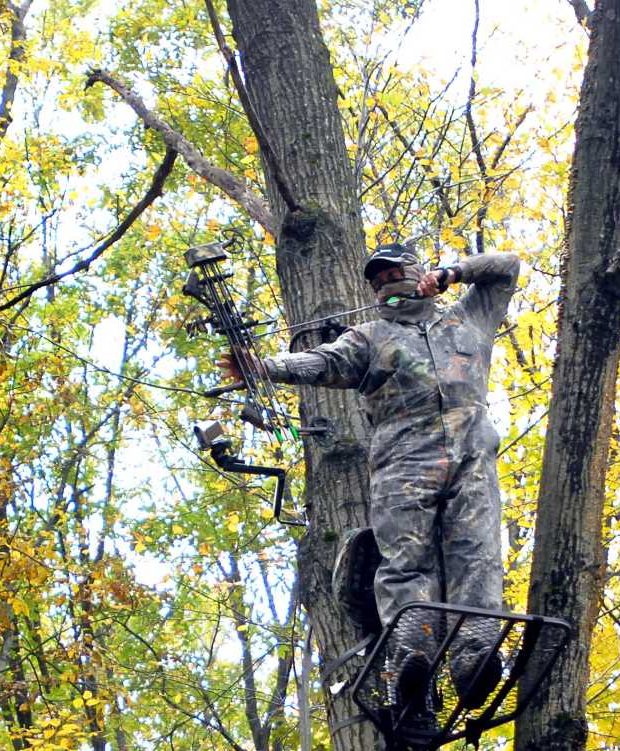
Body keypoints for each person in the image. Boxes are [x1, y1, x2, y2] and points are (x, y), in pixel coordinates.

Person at [221, 241, 520, 721]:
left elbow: (506, 267)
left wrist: (454, 273)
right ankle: (412, 660)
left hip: (472, 455)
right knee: (406, 560)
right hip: (404, 461)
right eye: (376, 280)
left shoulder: (469, 318)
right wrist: (265, 368)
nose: (384, 284)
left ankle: (474, 657)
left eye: (392, 273)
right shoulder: (370, 336)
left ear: (418, 272)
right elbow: (323, 361)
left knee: (477, 554)